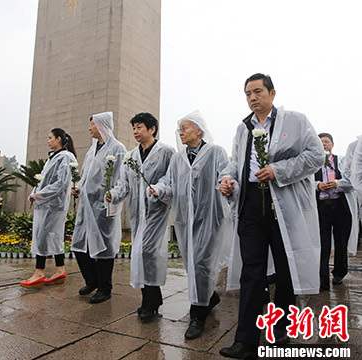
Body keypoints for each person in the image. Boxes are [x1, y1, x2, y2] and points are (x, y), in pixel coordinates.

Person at [218, 74, 323, 359]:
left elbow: (316, 156)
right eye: (248, 93)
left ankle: (281, 333)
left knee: (286, 271)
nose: (253, 98)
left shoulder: (296, 121)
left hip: (284, 206)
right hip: (251, 204)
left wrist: (279, 170)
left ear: (272, 93)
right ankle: (246, 339)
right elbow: (235, 162)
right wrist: (228, 179)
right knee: (251, 271)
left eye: (258, 91)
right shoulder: (243, 129)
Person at [150, 110, 232, 338]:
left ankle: (197, 314)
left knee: (203, 264)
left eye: (185, 127)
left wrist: (227, 181)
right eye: (180, 128)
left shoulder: (215, 152)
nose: (181, 132)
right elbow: (170, 182)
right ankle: (209, 297)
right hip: (185, 221)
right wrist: (159, 189)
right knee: (192, 264)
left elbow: (226, 172)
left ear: (199, 130)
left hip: (210, 218)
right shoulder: (178, 158)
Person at [106, 113, 175, 322]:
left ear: (152, 129)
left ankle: (150, 302)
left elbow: (170, 177)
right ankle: (152, 299)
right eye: (134, 128)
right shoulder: (131, 156)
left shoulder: (166, 152)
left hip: (156, 211)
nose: (135, 131)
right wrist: (114, 194)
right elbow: (124, 183)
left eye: (139, 127)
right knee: (142, 254)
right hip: (137, 213)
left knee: (148, 252)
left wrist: (159, 189)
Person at [71, 112, 127, 304]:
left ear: (102, 125)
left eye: (92, 125)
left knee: (104, 249)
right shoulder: (92, 148)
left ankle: (105, 288)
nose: (89, 128)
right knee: (80, 246)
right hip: (86, 207)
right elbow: (85, 174)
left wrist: (113, 196)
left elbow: (121, 178)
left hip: (103, 207)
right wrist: (78, 187)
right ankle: (92, 280)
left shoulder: (117, 148)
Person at [20, 128, 77, 288]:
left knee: (43, 235)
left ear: (58, 139)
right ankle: (60, 270)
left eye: (50, 137)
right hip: (47, 204)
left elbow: (60, 183)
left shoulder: (65, 157)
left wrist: (38, 195)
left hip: (53, 204)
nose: (48, 140)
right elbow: (42, 180)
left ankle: (39, 272)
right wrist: (34, 193)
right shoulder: (54, 158)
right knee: (54, 236)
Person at [315, 133, 358, 291]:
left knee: (341, 241)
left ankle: (339, 273)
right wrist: (318, 185)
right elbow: (305, 183)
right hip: (321, 207)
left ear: (332, 144)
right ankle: (322, 278)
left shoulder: (342, 161)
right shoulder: (313, 163)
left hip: (340, 206)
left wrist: (337, 184)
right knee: (322, 243)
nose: (324, 144)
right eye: (320, 142)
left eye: (326, 142)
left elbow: (352, 181)